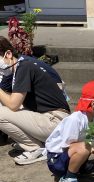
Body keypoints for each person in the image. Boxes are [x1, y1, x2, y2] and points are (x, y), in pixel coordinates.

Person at [0, 36, 70, 165]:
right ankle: (38, 142)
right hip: (52, 120)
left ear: (8, 54)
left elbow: (13, 104)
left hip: (55, 121)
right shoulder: (18, 68)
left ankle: (35, 148)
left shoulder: (24, 67)